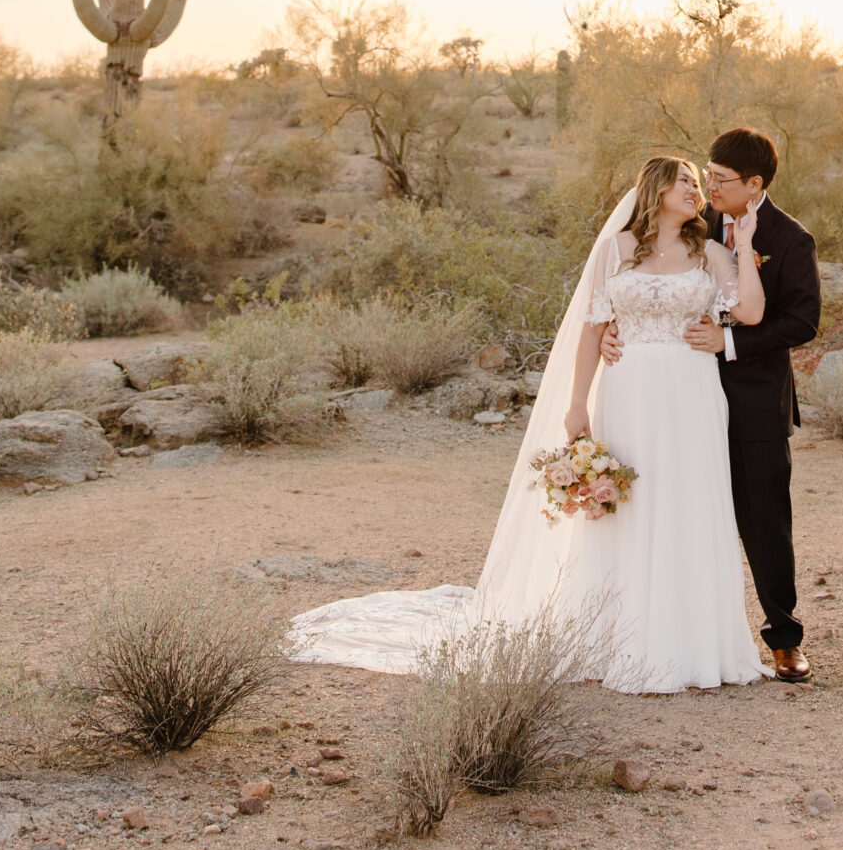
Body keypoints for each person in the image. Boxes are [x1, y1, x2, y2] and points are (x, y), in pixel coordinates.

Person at [287, 154, 770, 694]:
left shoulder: (710, 253)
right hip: (628, 393)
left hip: (689, 396)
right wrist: (576, 406)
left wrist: (746, 243)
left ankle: (691, 642)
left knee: (687, 505)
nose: (696, 191)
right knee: (626, 511)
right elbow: (593, 331)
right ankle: (615, 637)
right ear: (655, 189)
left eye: (698, 184)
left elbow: (749, 312)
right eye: (685, 181)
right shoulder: (615, 251)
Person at [600, 126, 819, 680]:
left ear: (755, 184)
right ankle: (661, 626)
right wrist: (615, 330)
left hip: (751, 401)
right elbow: (639, 280)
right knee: (672, 510)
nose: (709, 188)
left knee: (762, 518)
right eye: (706, 177)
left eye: (720, 180)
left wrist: (732, 342)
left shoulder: (790, 238)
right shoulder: (693, 222)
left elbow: (803, 321)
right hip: (673, 396)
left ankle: (783, 637)